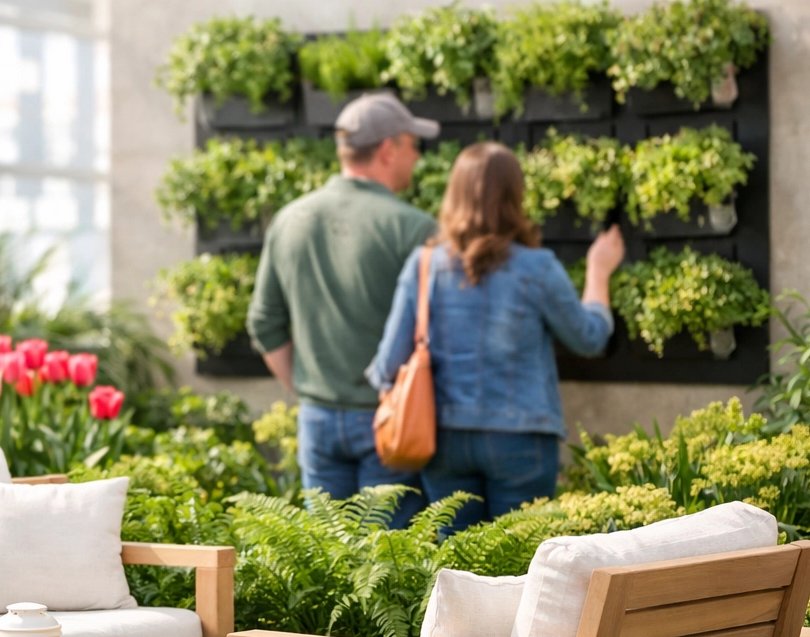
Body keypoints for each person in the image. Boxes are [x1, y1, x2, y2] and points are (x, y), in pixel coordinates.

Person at [367, 141, 626, 533]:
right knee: (521, 564)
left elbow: (387, 365)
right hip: (522, 441)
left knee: (458, 565)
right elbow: (589, 339)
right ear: (514, 196)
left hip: (444, 440)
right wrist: (599, 273)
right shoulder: (537, 267)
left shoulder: (423, 265)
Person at [247, 93, 440, 524]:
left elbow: (264, 321)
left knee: (330, 561)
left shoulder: (290, 219)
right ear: (388, 150)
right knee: (386, 564)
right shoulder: (413, 228)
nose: (417, 157)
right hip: (390, 420)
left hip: (316, 418)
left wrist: (306, 389)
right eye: (413, 145)